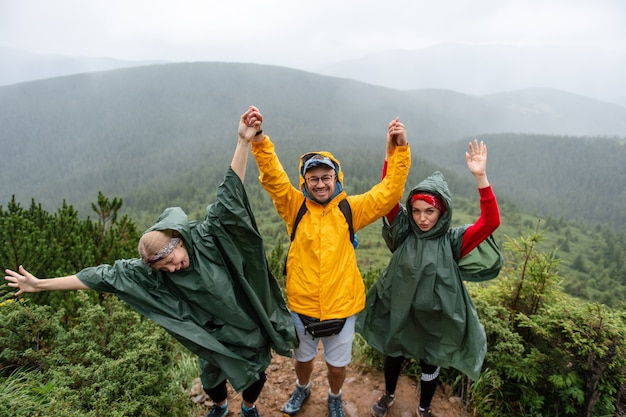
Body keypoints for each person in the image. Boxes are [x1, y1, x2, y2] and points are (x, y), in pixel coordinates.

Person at [4, 109, 298, 417]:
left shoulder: (208, 236)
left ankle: (249, 408)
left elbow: (230, 192)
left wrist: (242, 141)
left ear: (179, 239)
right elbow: (98, 277)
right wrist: (40, 284)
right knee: (212, 378)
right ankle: (221, 406)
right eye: (165, 268)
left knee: (255, 374)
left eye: (174, 260)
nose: (173, 268)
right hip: (209, 335)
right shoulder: (146, 273)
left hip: (246, 325)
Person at [241, 105, 411, 417]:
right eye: (313, 178)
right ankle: (302, 389)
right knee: (303, 360)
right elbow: (274, 178)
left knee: (337, 365)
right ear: (304, 181)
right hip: (302, 307)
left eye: (326, 177)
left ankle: (334, 396)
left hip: (342, 308)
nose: (320, 184)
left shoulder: (350, 209)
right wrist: (259, 139)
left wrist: (399, 150)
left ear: (337, 178)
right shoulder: (295, 207)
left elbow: (389, 193)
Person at [356, 139, 501, 417]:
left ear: (442, 211)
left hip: (435, 316)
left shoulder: (454, 240)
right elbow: (388, 193)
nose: (422, 218)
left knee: (430, 361)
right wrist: (389, 155)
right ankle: (388, 395)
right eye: (417, 211)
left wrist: (481, 177)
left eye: (430, 211)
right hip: (400, 309)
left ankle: (424, 407)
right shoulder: (402, 231)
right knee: (393, 350)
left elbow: (490, 221)